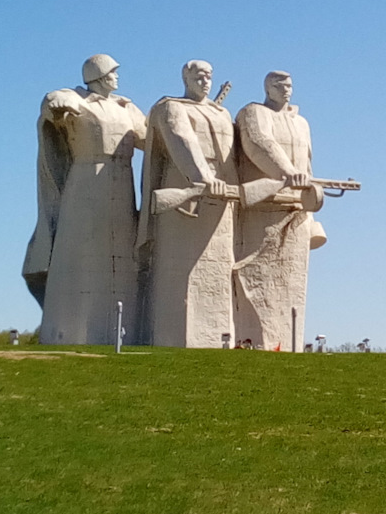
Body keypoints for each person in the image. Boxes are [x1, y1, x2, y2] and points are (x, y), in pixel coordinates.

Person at [25, 54, 146, 345]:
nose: (117, 77)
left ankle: (124, 330)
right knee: (81, 253)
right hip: (86, 181)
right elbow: (53, 104)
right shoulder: (76, 98)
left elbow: (149, 138)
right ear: (99, 75)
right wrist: (55, 104)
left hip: (122, 181)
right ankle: (72, 330)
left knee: (123, 255)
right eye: (113, 72)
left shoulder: (126, 107)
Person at [138, 60, 238, 347]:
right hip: (186, 184)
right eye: (199, 76)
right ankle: (173, 338)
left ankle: (219, 338)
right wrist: (204, 178)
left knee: (219, 269)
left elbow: (232, 155)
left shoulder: (221, 112)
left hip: (222, 191)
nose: (205, 82)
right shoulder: (170, 107)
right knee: (180, 269)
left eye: (209, 77)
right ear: (185, 78)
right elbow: (182, 142)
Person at [232, 70, 325, 350]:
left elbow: (308, 166)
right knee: (257, 282)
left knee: (292, 287)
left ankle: (289, 344)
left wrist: (310, 208)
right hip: (262, 210)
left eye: (289, 85)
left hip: (296, 210)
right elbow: (259, 143)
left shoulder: (302, 123)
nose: (286, 89)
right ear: (267, 88)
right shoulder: (253, 113)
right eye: (279, 85)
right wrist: (287, 172)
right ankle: (251, 342)